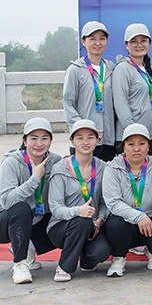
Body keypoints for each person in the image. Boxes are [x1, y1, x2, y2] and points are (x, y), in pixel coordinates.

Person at [0, 118, 60, 284]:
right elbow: (7, 202)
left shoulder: (56, 161)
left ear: (50, 141)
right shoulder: (12, 163)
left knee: (66, 221)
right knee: (21, 209)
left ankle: (29, 248)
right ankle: (19, 264)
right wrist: (35, 179)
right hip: (2, 221)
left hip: (36, 219)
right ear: (25, 141)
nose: (39, 144)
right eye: (33, 138)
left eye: (44, 138)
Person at [102, 123, 152, 277]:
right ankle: (119, 257)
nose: (136, 149)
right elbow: (113, 202)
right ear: (124, 147)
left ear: (148, 147)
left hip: (151, 217)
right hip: (125, 220)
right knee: (115, 225)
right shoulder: (112, 168)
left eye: (141, 144)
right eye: (131, 144)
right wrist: (139, 217)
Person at [46, 119, 112, 282]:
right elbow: (55, 208)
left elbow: (106, 201)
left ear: (98, 140)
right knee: (81, 221)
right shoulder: (60, 169)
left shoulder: (103, 168)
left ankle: (86, 260)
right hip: (62, 226)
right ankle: (64, 267)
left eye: (90, 137)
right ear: (72, 141)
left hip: (92, 227)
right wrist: (78, 211)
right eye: (80, 137)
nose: (85, 142)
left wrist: (100, 219)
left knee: (101, 252)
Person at [63, 21, 116, 161]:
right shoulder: (75, 70)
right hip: (84, 141)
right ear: (83, 41)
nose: (98, 43)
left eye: (102, 38)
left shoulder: (111, 68)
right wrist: (83, 129)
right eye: (92, 39)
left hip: (108, 140)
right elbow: (68, 103)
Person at [112, 22, 152, 158]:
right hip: (132, 139)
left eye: (143, 41)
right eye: (134, 41)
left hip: (151, 136)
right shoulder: (123, 69)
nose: (139, 45)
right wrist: (133, 133)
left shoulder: (147, 69)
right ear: (126, 45)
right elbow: (121, 104)